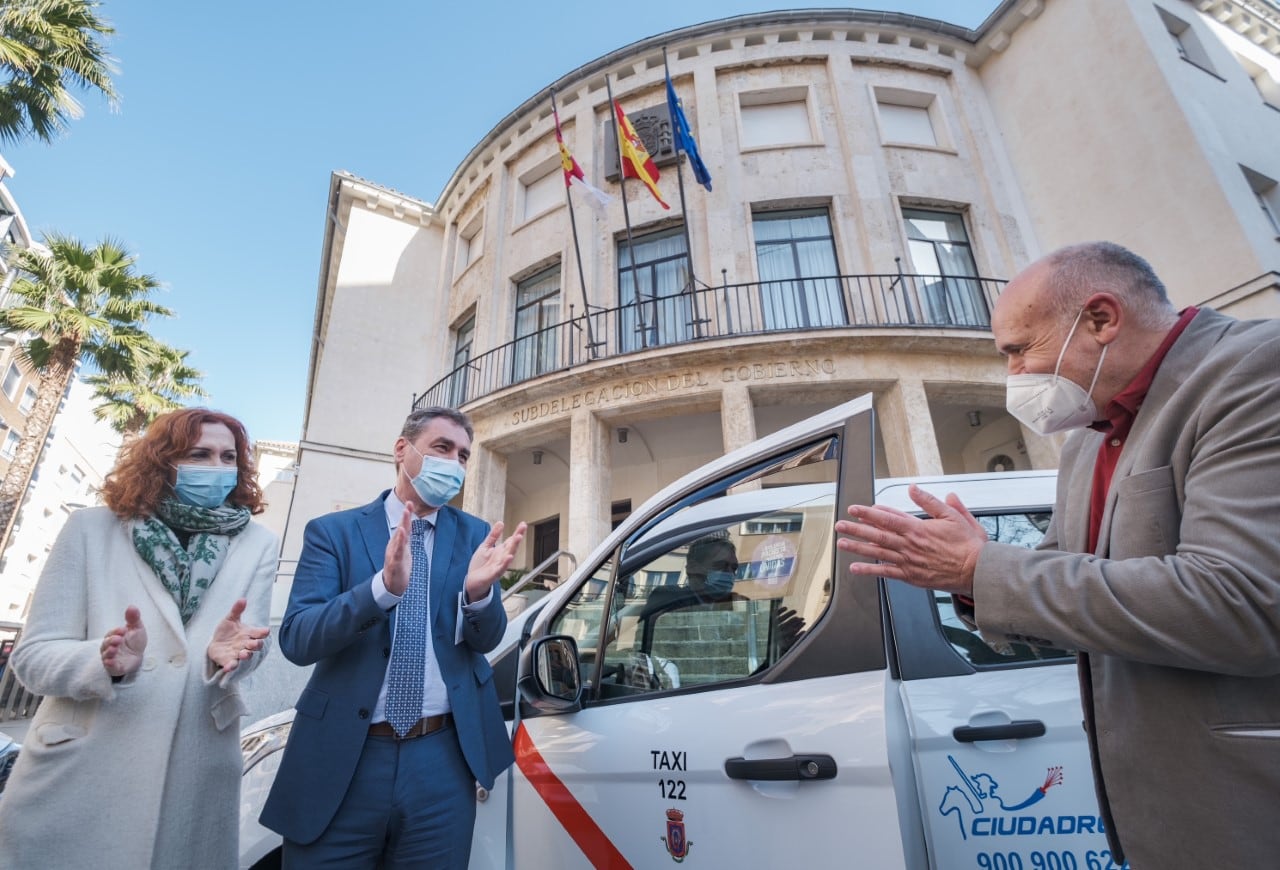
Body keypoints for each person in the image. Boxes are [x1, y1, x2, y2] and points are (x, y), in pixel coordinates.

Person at [834, 241, 1280, 869]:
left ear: (1101, 319)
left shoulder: (1254, 370)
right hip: (1156, 814)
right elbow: (1064, 595)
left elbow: (1242, 603)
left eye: (1020, 350)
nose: (1013, 375)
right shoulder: (1086, 439)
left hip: (1248, 809)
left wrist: (980, 568)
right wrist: (971, 578)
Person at [0, 408, 278, 869]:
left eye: (229, 457)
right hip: (83, 768)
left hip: (194, 771)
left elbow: (252, 643)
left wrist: (228, 657)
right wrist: (102, 661)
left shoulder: (258, 543)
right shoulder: (92, 529)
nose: (217, 468)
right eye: (200, 454)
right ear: (163, 460)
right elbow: (32, 658)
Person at [260, 406, 526, 869]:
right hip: (345, 755)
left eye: (464, 456)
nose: (455, 464)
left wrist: (478, 595)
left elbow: (487, 640)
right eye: (442, 448)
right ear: (402, 449)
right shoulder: (333, 533)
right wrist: (381, 590)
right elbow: (298, 639)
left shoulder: (476, 537)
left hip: (442, 757)